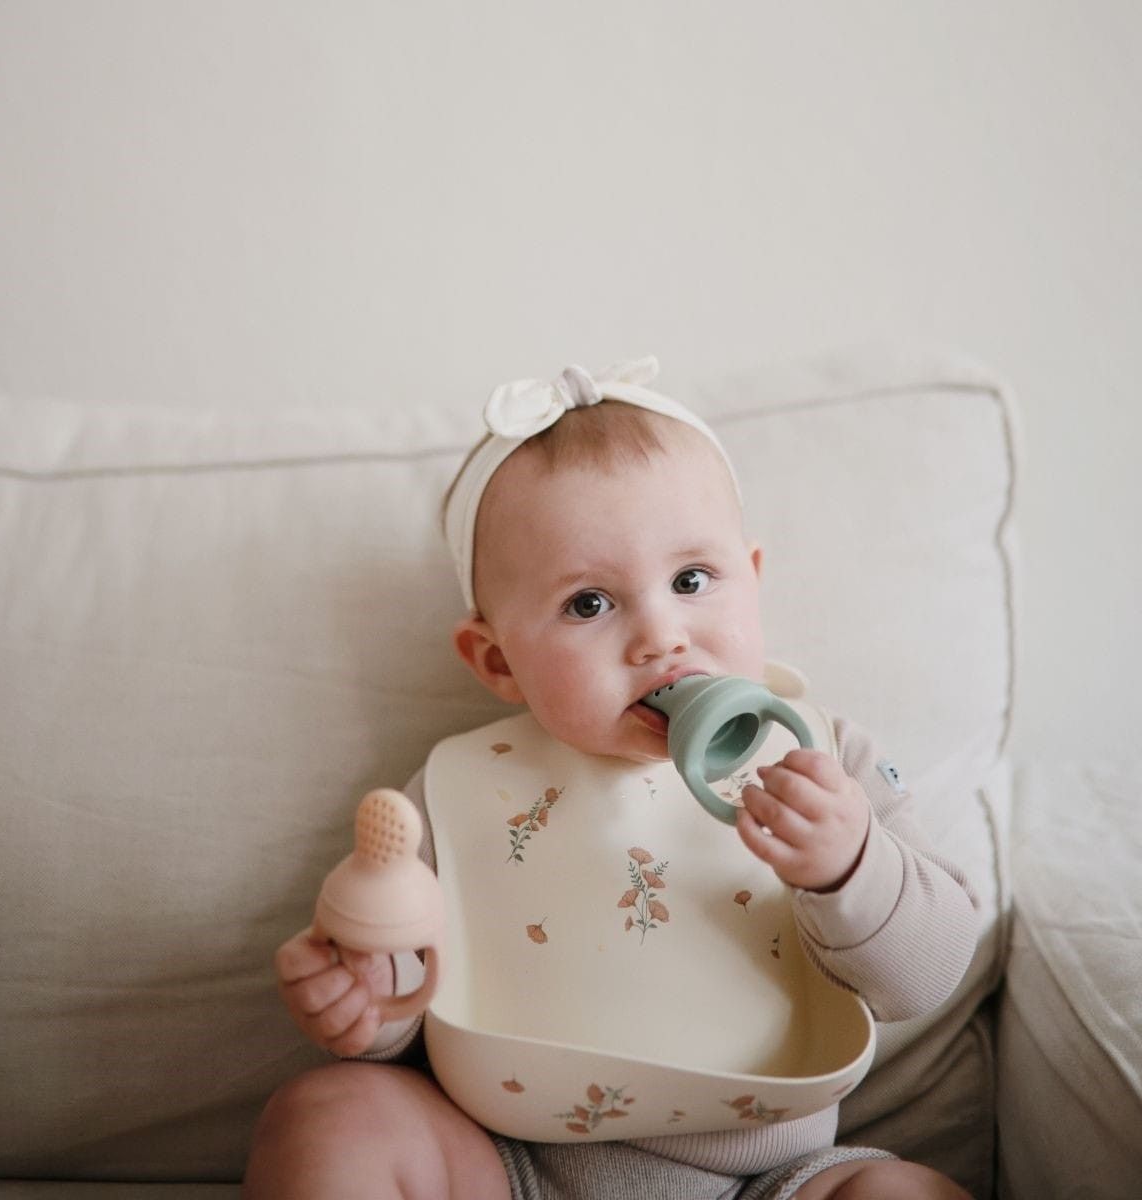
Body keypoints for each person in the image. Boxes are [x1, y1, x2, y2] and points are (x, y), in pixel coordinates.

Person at [244, 358, 979, 1200]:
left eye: (693, 580)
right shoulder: (459, 790)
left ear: (754, 579)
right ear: (497, 660)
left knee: (902, 1197)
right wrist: (371, 999)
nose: (662, 637)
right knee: (333, 1113)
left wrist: (852, 865)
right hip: (515, 1168)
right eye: (590, 604)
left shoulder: (821, 760)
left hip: (772, 1177)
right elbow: (422, 999)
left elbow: (929, 973)